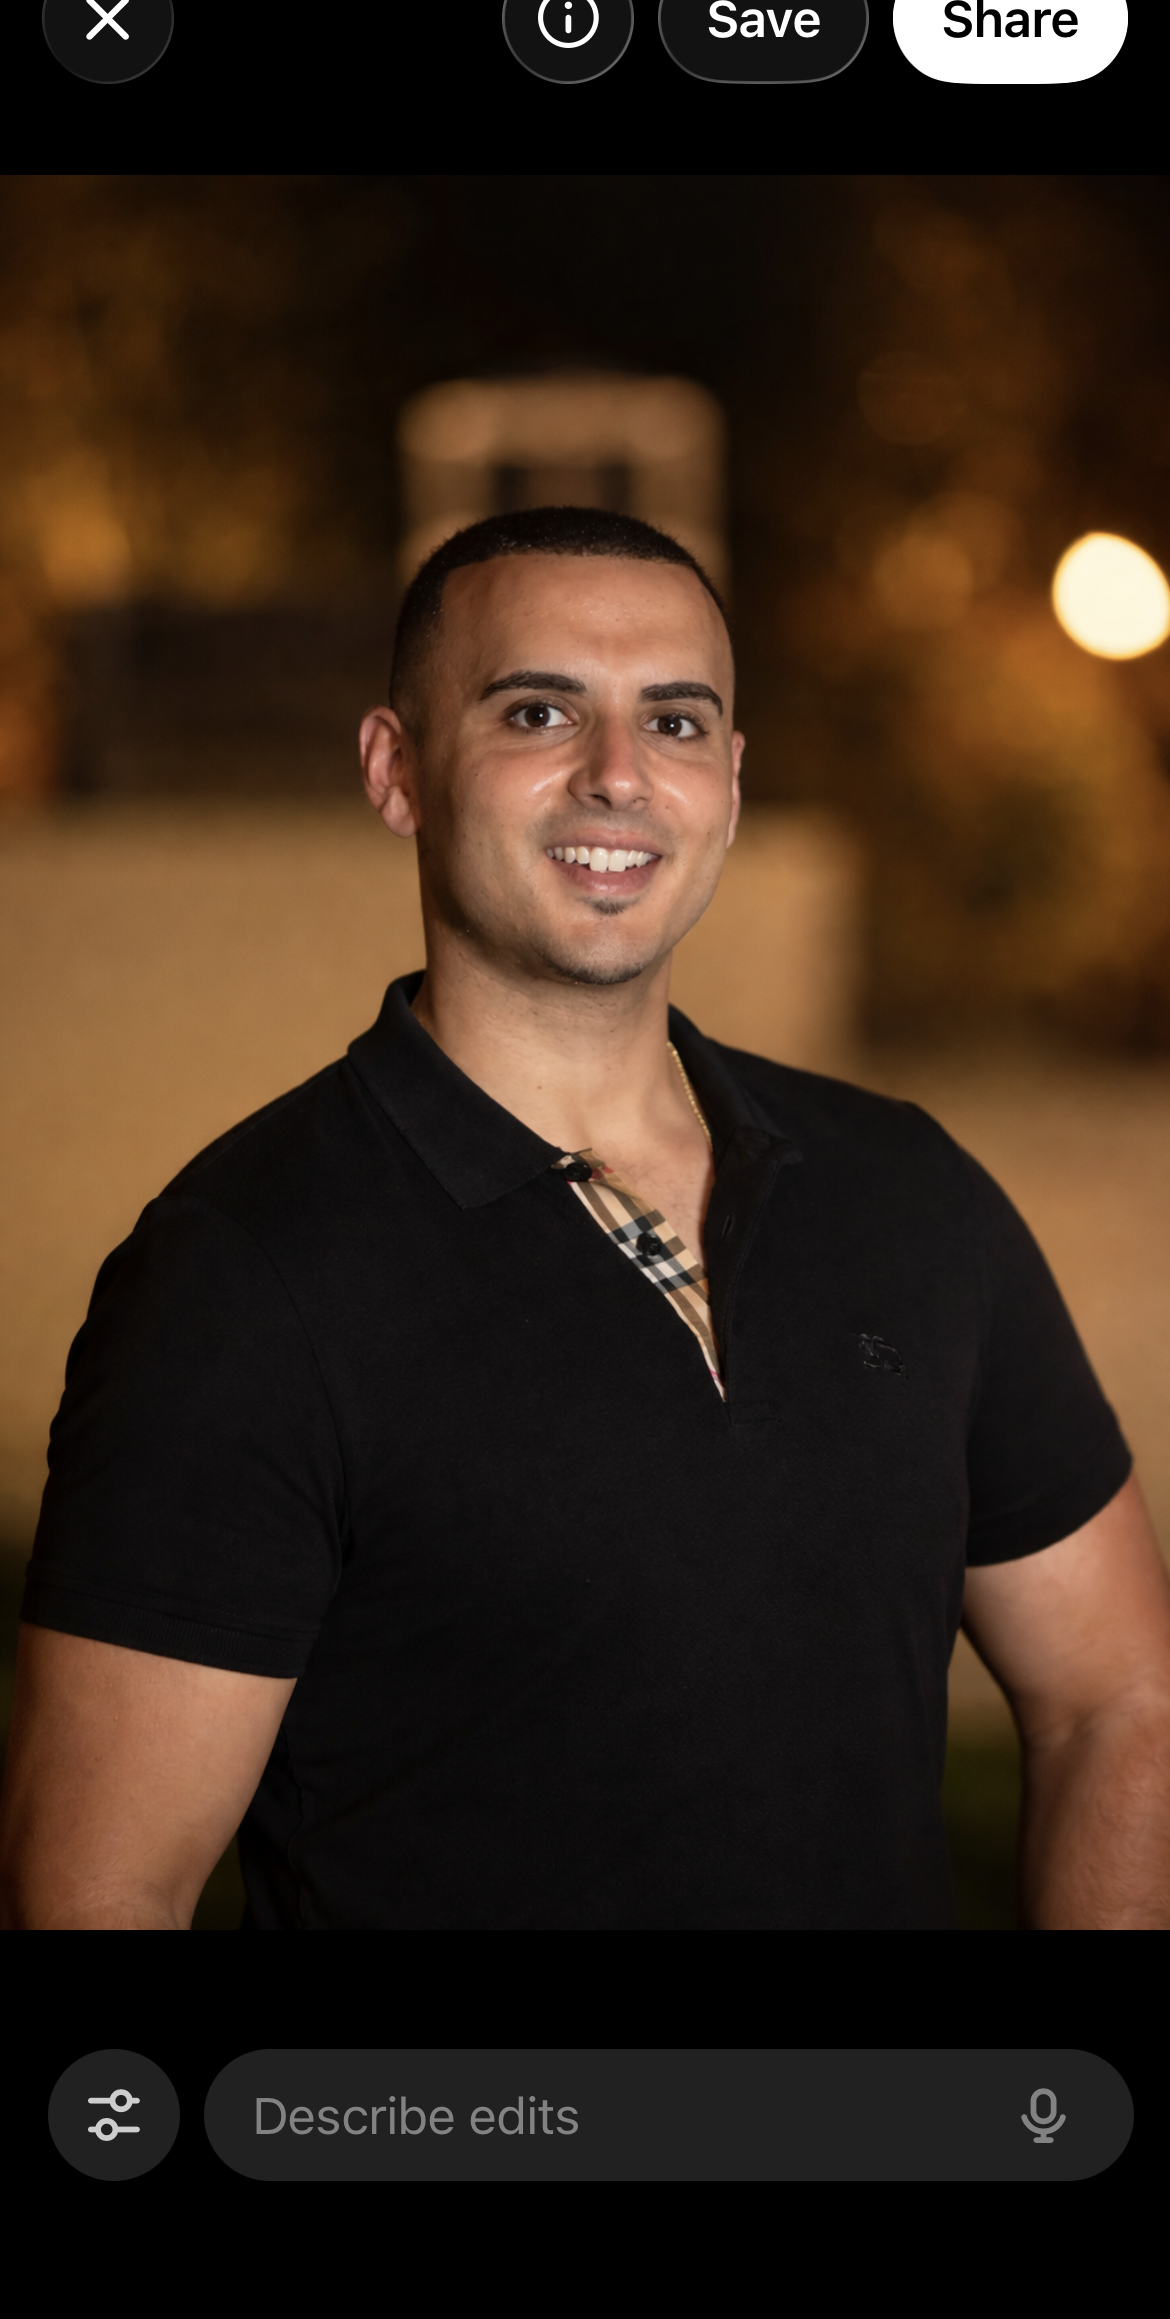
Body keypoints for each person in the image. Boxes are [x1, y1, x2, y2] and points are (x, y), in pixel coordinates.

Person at [3, 506, 1170, 1932]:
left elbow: (1118, 1697)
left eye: (674, 723)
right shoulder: (242, 1276)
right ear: (397, 770)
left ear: (730, 783)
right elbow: (97, 1889)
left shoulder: (911, 1197)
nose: (617, 777)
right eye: (539, 711)